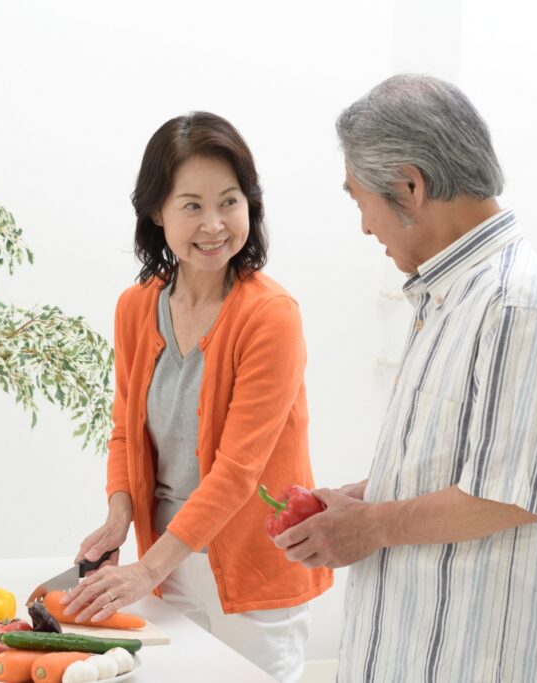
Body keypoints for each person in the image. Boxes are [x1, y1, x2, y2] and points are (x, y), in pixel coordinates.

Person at [273, 74, 537, 682]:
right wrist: (358, 499)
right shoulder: (451, 298)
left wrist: (367, 527)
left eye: (358, 198)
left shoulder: (512, 304)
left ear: (409, 186)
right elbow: (458, 462)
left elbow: (509, 493)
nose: (366, 227)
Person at [61, 112, 332, 682]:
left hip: (254, 566)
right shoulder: (136, 307)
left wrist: (142, 572)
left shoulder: (270, 316)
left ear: (249, 207)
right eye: (191, 205)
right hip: (169, 559)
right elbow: (125, 430)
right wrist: (119, 515)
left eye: (229, 202)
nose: (214, 224)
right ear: (157, 212)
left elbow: (238, 470)